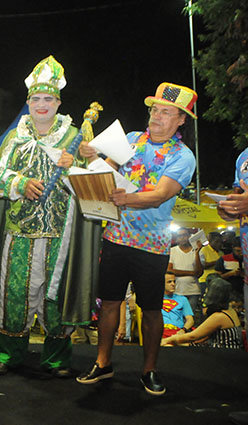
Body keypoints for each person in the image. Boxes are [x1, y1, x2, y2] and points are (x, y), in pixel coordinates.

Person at [0, 56, 101, 379]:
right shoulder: (14, 138)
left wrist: (75, 166)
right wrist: (19, 184)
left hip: (58, 235)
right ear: (28, 102)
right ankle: (8, 353)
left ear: (58, 102)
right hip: (18, 232)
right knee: (14, 295)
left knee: (54, 298)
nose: (42, 105)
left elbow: (93, 185)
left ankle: (56, 358)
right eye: (36, 99)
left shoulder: (76, 137)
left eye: (48, 99)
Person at [76, 82, 198, 396]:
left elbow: (160, 195)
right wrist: (90, 157)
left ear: (181, 120)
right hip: (116, 237)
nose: (157, 116)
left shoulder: (184, 157)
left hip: (152, 244)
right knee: (110, 304)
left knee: (152, 308)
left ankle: (149, 370)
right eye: (155, 109)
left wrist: (124, 198)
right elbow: (106, 171)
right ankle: (103, 363)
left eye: (166, 112)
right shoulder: (130, 140)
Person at [162, 276, 242, 348]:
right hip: (225, 350)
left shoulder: (219, 317)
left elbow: (193, 336)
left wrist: (170, 339)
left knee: (169, 345)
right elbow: (203, 337)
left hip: (222, 354)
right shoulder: (230, 310)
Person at [168, 227, 203, 318]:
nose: (182, 238)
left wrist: (197, 253)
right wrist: (191, 273)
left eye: (185, 235)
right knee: (177, 317)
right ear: (176, 238)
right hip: (177, 290)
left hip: (193, 291)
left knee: (190, 318)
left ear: (189, 236)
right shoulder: (172, 251)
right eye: (180, 236)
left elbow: (199, 272)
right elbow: (170, 270)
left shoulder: (196, 251)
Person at [161, 271, 194, 338]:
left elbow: (190, 320)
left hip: (178, 332)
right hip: (161, 331)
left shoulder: (182, 299)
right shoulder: (155, 299)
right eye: (169, 282)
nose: (173, 284)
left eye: (174, 281)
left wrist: (183, 330)